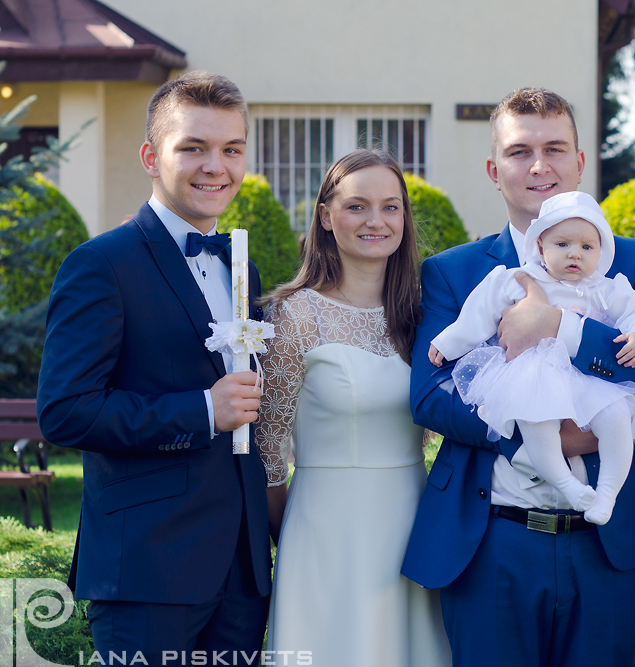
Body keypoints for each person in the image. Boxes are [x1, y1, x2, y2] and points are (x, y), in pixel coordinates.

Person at [402, 87, 635, 667]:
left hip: (606, 547)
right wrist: (540, 436)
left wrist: (558, 325)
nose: (540, 166)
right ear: (494, 169)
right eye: (520, 151)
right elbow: (429, 395)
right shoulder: (453, 271)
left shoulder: (632, 261)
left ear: (580, 162)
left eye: (555, 148)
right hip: (490, 539)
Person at [36, 71, 271, 664]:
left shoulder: (241, 267)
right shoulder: (100, 264)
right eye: (193, 147)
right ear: (150, 155)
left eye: (231, 149)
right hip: (147, 567)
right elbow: (65, 411)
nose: (215, 165)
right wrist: (201, 410)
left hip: (240, 572)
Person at [259, 150, 450, 666]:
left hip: (414, 524)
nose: (376, 221)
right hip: (326, 530)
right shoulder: (295, 315)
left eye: (391, 207)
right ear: (325, 216)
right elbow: (268, 452)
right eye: (357, 206)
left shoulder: (425, 315)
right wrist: (294, 533)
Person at [429, 191, 635, 525]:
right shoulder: (520, 279)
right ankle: (566, 484)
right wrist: (449, 342)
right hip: (535, 372)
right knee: (536, 421)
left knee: (616, 418)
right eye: (562, 245)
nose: (575, 255)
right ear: (540, 247)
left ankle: (607, 493)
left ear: (600, 251)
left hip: (588, 378)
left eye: (587, 247)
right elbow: (480, 310)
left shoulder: (603, 287)